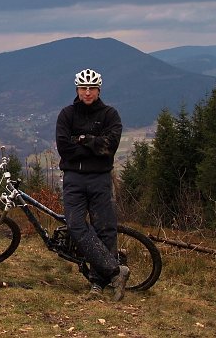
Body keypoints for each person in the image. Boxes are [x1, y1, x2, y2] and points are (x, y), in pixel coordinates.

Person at [55, 68, 130, 301]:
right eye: (83, 88)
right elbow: (63, 148)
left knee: (105, 229)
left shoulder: (110, 114)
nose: (87, 93)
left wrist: (82, 140)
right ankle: (116, 271)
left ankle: (97, 284)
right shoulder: (67, 114)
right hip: (74, 179)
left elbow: (109, 147)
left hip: (99, 179)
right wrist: (93, 145)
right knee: (76, 225)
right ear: (77, 89)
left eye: (92, 88)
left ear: (98, 90)